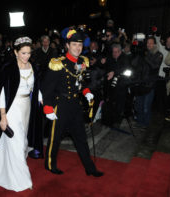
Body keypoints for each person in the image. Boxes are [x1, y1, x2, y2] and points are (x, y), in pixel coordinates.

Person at [0, 36, 43, 192]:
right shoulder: (9, 68)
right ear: (15, 52)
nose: (27, 56)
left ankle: (6, 165)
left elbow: (35, 85)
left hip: (27, 106)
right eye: (23, 53)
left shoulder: (33, 65)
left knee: (22, 141)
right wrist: (3, 116)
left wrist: (40, 97)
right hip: (12, 109)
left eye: (29, 53)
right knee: (17, 142)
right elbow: (2, 94)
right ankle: (22, 179)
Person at [41, 28, 104, 177]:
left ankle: (90, 168)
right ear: (67, 45)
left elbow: (82, 83)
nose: (78, 48)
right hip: (60, 105)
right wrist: (48, 108)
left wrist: (86, 92)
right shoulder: (58, 63)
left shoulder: (83, 62)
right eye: (74, 44)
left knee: (81, 138)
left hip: (75, 106)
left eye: (80, 45)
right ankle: (50, 164)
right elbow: (47, 88)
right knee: (55, 138)